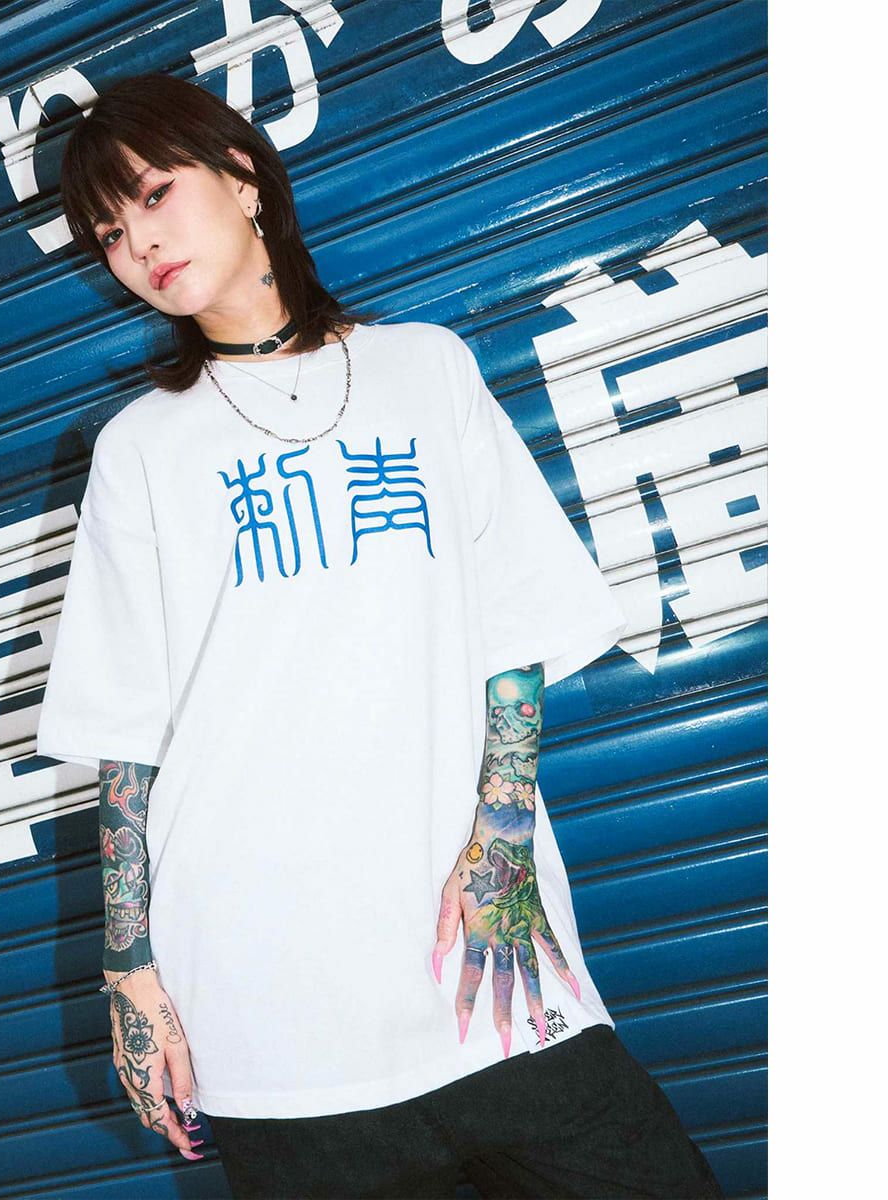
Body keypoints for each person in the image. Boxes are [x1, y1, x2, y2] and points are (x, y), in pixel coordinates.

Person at [36, 71, 724, 1200]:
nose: (138, 244)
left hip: (485, 965)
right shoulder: (140, 448)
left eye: (154, 195)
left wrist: (502, 840)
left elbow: (513, 626)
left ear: (243, 177)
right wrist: (130, 972)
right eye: (109, 232)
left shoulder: (424, 367)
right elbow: (128, 732)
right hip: (266, 1012)